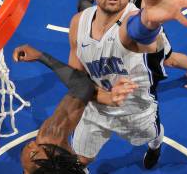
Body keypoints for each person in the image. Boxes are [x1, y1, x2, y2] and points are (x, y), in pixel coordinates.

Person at [69, 0, 187, 169]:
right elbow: (75, 76)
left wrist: (150, 20)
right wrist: (99, 95)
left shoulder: (133, 21)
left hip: (136, 109)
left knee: (152, 135)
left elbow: (138, 31)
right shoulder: (79, 22)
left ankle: (156, 145)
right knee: (80, 160)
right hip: (96, 109)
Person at [14, 44, 138, 174]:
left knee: (83, 158)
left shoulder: (50, 140)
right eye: (34, 154)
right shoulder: (51, 137)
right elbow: (82, 86)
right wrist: (41, 56)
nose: (32, 144)